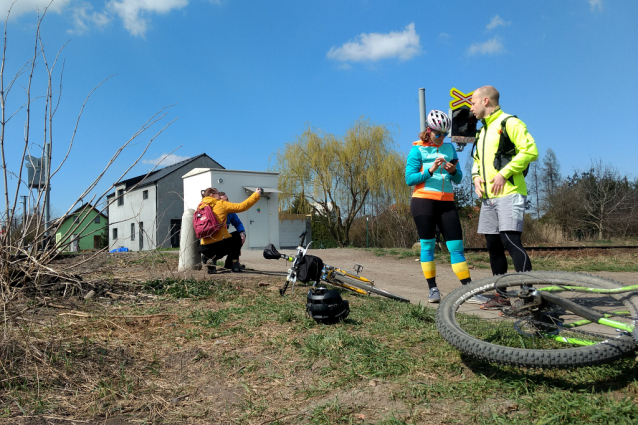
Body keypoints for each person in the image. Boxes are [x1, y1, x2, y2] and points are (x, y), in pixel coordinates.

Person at [469, 85, 539, 309]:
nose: (471, 107)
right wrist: (475, 177)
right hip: (488, 198)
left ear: (486, 101)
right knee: (493, 244)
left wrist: (504, 173)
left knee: (509, 240)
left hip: (510, 192)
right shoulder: (481, 132)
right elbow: (477, 161)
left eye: (473, 102)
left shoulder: (510, 122)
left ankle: (529, 295)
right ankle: (501, 296)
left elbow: (530, 150)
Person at [405, 110, 473, 303]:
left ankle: (469, 289)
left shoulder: (449, 149)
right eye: (438, 134)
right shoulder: (417, 150)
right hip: (423, 201)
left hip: (447, 202)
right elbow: (410, 179)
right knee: (428, 245)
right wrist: (430, 170)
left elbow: (459, 178)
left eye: (445, 134)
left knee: (456, 246)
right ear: (429, 130)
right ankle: (433, 289)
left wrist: (452, 171)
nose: (442, 138)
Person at [198, 187, 261, 273]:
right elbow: (242, 206)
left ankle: (209, 260)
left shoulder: (201, 206)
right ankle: (231, 263)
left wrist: (242, 231)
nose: (227, 201)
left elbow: (237, 222)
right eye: (218, 193)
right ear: (213, 195)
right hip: (217, 246)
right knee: (237, 237)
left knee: (235, 235)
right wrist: (256, 194)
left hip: (203, 247)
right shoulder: (221, 204)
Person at [218, 191, 247, 270]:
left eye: (227, 199)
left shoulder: (230, 212)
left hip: (224, 238)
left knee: (238, 236)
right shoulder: (214, 211)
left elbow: (237, 223)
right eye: (224, 200)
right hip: (214, 241)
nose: (227, 202)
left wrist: (242, 233)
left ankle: (231, 263)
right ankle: (209, 260)